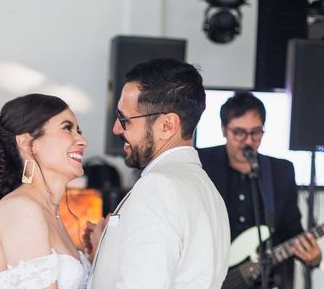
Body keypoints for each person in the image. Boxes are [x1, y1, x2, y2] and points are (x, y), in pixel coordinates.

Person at [87, 58, 230, 289]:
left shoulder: (158, 187)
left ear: (167, 125)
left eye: (125, 119)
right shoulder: (208, 190)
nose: (116, 128)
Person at [0, 94, 89, 288]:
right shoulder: (22, 210)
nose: (82, 141)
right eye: (67, 128)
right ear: (27, 142)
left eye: (78, 130)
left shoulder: (47, 212)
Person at [198, 91, 322, 288]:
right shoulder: (201, 163)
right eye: (239, 132)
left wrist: (313, 257)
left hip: (263, 282)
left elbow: (291, 232)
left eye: (256, 132)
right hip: (206, 278)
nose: (248, 141)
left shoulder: (280, 171)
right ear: (224, 130)